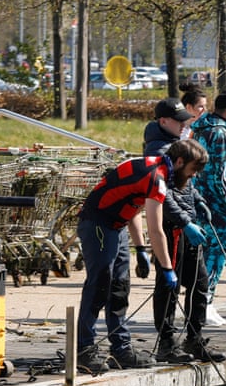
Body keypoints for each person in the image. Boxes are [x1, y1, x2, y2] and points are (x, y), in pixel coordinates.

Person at [75, 138, 208, 372]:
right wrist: (167, 269)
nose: (193, 176)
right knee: (99, 286)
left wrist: (139, 249)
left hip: (117, 226)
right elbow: (156, 230)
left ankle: (121, 349)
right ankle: (85, 350)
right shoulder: (155, 177)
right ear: (179, 161)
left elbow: (133, 206)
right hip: (97, 224)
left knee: (120, 288)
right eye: (192, 170)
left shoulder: (160, 170)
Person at [143, 101, 221, 364]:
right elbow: (165, 197)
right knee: (169, 286)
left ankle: (194, 338)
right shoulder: (158, 153)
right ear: (164, 122)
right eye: (179, 121)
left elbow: (186, 184)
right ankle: (167, 342)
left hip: (189, 227)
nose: (184, 124)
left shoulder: (181, 147)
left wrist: (198, 201)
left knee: (199, 284)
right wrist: (186, 221)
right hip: (171, 230)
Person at [190, 91, 226, 327]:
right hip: (217, 208)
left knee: (202, 259)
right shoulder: (221, 134)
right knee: (215, 258)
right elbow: (224, 175)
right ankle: (206, 305)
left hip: (199, 203)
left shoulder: (199, 129)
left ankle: (202, 304)